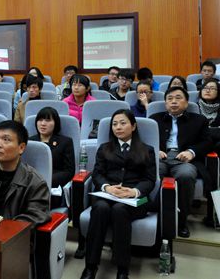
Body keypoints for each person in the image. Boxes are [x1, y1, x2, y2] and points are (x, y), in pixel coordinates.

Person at [80, 110, 156, 279]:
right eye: (114, 124)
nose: (118, 127)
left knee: (120, 210)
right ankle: (90, 267)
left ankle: (122, 269)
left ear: (133, 126)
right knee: (100, 208)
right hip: (108, 194)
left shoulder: (147, 150)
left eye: (123, 123)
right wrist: (107, 187)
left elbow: (150, 180)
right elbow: (97, 174)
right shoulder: (104, 148)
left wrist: (134, 191)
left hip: (138, 198)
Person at [150, 86, 213, 238]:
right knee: (153, 173)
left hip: (184, 159)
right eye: (170, 99)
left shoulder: (199, 120)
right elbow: (144, 140)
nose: (173, 102)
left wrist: (191, 152)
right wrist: (154, 150)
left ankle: (181, 220)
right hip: (160, 158)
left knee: (186, 175)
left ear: (186, 102)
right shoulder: (154, 119)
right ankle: (153, 215)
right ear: (165, 103)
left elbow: (208, 141)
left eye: (178, 98)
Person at [30, 107, 75, 191]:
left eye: (47, 120)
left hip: (54, 185)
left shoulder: (65, 142)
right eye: (40, 120)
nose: (43, 124)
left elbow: (69, 171)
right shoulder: (30, 141)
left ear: (55, 123)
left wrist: (46, 180)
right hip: (31, 184)